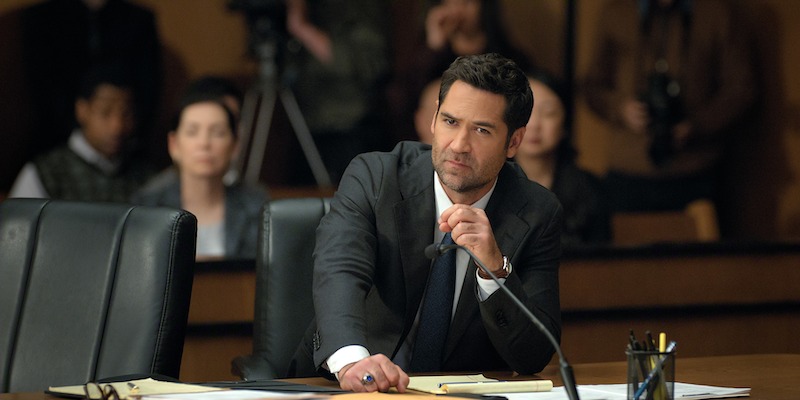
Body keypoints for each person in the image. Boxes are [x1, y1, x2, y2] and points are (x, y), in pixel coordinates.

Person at [291, 53, 563, 393]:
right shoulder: (376, 178)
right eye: (450, 122)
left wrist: (495, 271)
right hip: (346, 385)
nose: (459, 145)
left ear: (514, 142)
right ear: (433, 119)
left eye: (481, 130)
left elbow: (532, 356)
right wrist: (352, 361)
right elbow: (340, 270)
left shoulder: (537, 211)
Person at [581, 0, 756, 213]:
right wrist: (621, 108)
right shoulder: (618, 12)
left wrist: (698, 125)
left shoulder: (718, 12)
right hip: (629, 168)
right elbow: (591, 86)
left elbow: (741, 88)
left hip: (697, 169)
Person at [131, 95, 268, 260]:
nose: (204, 143)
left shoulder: (255, 205)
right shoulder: (148, 206)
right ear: (174, 144)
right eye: (192, 132)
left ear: (235, 145)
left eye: (217, 133)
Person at [20, 0, 161, 159]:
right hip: (55, 140)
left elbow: (148, 91)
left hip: (128, 153)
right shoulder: (41, 18)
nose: (115, 127)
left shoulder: (138, 19)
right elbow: (42, 87)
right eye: (105, 113)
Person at [387, 0, 533, 145]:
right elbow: (400, 100)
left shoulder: (508, 55)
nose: (457, 11)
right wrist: (433, 47)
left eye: (466, 3)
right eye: (449, 3)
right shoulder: (429, 53)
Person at [279, 0, 391, 184]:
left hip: (350, 131)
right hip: (304, 127)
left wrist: (302, 28)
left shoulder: (359, 8)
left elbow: (367, 64)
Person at [8, 63, 154, 202]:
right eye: (105, 112)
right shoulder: (46, 173)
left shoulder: (145, 176)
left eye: (126, 114)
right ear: (82, 109)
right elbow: (16, 225)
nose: (117, 126)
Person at [515, 71, 610, 246]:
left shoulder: (590, 189)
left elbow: (602, 265)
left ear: (565, 124)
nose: (534, 124)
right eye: (526, 112)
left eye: (548, 113)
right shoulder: (489, 185)